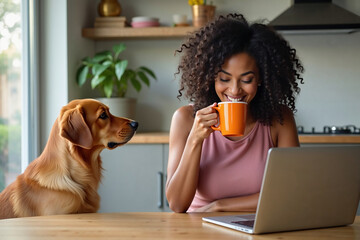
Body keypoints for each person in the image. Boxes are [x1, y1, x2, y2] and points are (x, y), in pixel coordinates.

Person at [165, 13, 304, 213]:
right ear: (210, 77)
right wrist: (195, 139)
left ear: (261, 79)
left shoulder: (279, 120)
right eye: (224, 79)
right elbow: (177, 204)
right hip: (197, 229)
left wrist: (220, 206)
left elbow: (289, 192)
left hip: (257, 228)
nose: (234, 90)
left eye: (246, 80)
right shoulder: (186, 119)